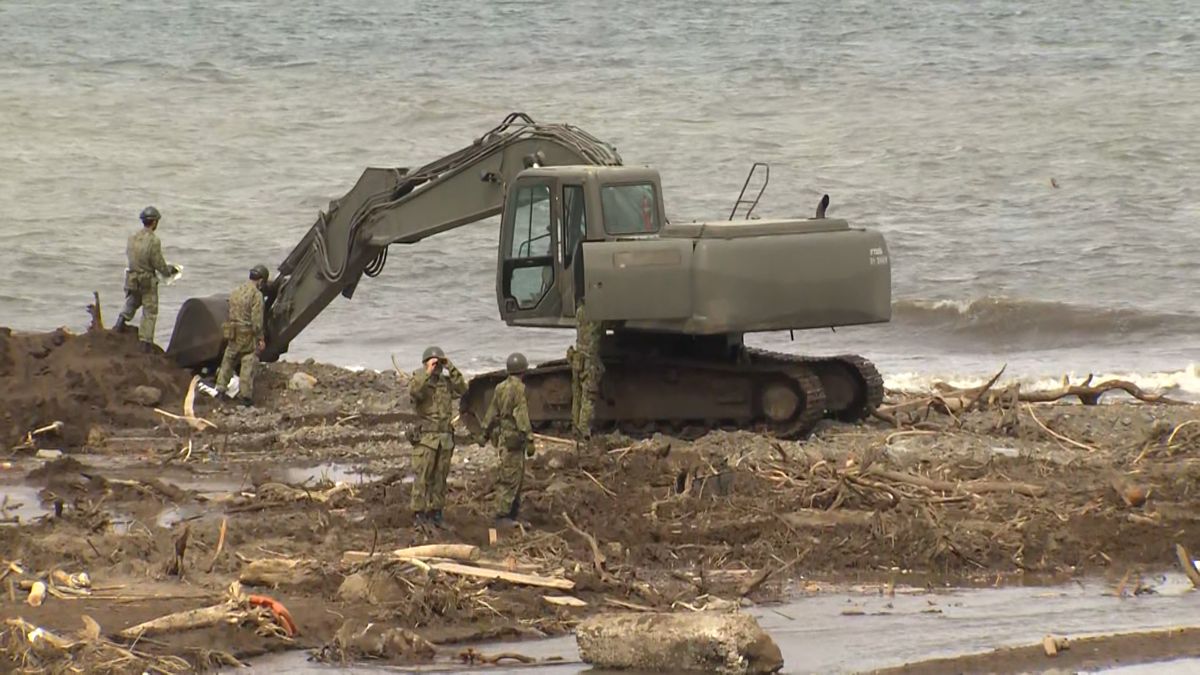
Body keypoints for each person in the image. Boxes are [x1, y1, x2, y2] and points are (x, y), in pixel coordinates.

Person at [409, 346, 467, 526]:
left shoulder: (445, 382)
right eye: (434, 362)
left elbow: (463, 389)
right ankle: (419, 514)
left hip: (445, 438)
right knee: (423, 478)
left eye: (438, 362)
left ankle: (436, 513)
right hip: (427, 439)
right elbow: (415, 393)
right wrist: (427, 371)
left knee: (440, 478)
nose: (437, 366)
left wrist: (450, 366)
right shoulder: (419, 379)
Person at [113, 206, 179, 349]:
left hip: (132, 278)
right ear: (154, 222)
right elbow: (157, 262)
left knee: (133, 301)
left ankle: (119, 323)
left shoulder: (132, 237)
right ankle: (145, 343)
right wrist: (168, 271)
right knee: (150, 311)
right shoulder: (153, 240)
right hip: (146, 280)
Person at [480, 352, 534, 524]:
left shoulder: (500, 387)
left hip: (503, 438)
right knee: (511, 478)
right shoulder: (519, 389)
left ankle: (511, 514)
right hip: (515, 440)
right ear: (523, 371)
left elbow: (491, 412)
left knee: (510, 475)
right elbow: (521, 416)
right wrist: (530, 438)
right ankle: (503, 515)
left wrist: (484, 433)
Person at [215, 265, 269, 406]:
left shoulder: (236, 291)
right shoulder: (256, 295)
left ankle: (220, 389)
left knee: (229, 358)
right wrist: (260, 338)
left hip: (232, 331)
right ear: (261, 280)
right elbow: (257, 322)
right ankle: (245, 397)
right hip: (246, 333)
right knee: (248, 361)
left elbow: (230, 311)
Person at [570, 297, 604, 448]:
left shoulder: (580, 311)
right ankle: (584, 431)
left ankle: (575, 426)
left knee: (577, 394)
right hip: (589, 359)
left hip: (578, 357)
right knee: (588, 396)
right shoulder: (595, 314)